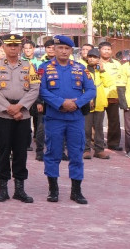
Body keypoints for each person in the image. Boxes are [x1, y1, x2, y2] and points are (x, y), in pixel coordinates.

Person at [38, 35, 96, 204]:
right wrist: (60, 103)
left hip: (75, 118)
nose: (63, 51)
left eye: (67, 49)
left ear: (72, 51)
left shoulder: (80, 68)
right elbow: (41, 90)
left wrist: (77, 103)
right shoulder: (44, 68)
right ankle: (53, 190)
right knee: (52, 153)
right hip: (54, 118)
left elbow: (91, 90)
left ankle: (76, 191)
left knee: (77, 154)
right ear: (54, 49)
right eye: (60, 48)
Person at [0, 33, 40, 203]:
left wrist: (20, 107)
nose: (12, 48)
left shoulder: (29, 66)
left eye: (16, 45)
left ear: (20, 48)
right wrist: (8, 108)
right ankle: (3, 189)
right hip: (3, 115)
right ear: (3, 48)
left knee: (20, 152)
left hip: (22, 115)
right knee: (3, 152)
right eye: (9, 45)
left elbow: (34, 88)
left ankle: (20, 189)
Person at [82, 48, 112, 160]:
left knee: (99, 128)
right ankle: (86, 150)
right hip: (86, 103)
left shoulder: (100, 71)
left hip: (99, 103)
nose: (92, 59)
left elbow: (109, 83)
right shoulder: (83, 70)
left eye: (94, 57)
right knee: (86, 128)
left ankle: (99, 150)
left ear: (99, 59)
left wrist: (103, 71)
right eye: (90, 56)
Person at [97, 41, 123, 152]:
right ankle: (97, 142)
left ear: (111, 51)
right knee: (97, 121)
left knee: (114, 121)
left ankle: (113, 143)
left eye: (108, 49)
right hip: (99, 96)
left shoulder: (117, 64)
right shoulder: (95, 62)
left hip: (113, 95)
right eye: (104, 49)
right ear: (99, 50)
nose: (107, 51)